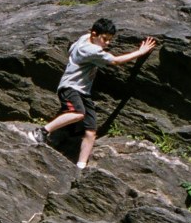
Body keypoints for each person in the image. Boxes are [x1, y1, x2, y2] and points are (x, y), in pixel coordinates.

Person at [34, 18, 157, 170]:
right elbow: (115, 61)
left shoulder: (85, 38)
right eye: (105, 39)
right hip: (70, 87)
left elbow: (75, 46)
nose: (107, 43)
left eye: (109, 40)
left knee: (91, 131)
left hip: (83, 91)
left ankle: (80, 166)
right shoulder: (90, 50)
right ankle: (41, 131)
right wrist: (140, 52)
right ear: (94, 34)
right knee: (78, 113)